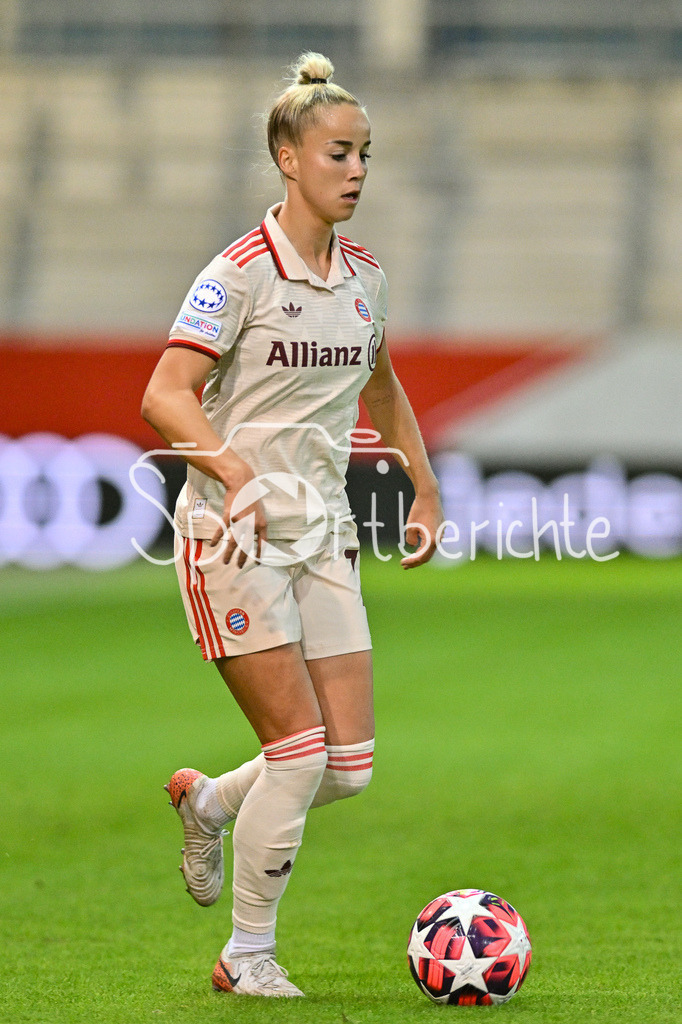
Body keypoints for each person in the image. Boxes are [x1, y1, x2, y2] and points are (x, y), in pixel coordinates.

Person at [141, 51, 443, 998]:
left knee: (346, 766)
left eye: (365, 155)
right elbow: (165, 396)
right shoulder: (236, 275)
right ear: (287, 157)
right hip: (230, 537)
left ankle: (207, 802)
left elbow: (383, 391)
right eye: (338, 153)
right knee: (299, 751)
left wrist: (424, 490)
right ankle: (248, 956)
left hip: (320, 534)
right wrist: (230, 471)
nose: (356, 171)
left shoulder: (364, 280)